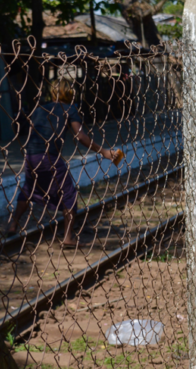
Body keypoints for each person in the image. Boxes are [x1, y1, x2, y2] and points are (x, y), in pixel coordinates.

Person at [7, 79, 119, 248]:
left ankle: (13, 224)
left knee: (29, 188)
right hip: (49, 157)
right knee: (68, 193)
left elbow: (30, 133)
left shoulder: (39, 109)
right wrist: (103, 151)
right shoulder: (70, 109)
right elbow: (81, 137)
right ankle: (68, 237)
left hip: (31, 156)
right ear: (69, 93)